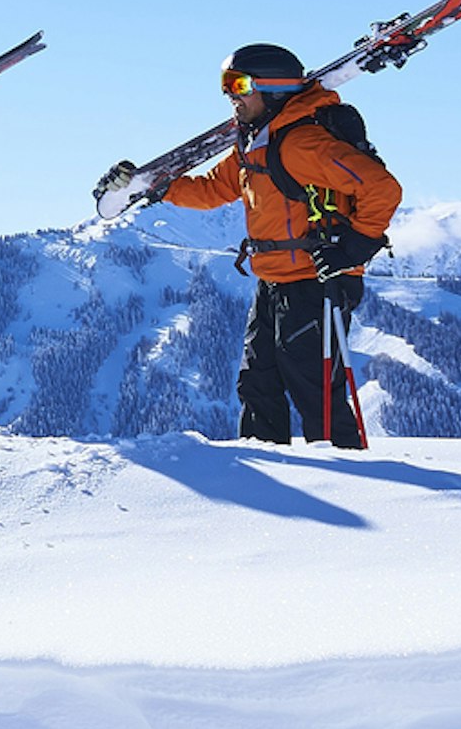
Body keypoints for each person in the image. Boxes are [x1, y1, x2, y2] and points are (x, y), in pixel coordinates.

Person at [158, 44, 402, 448]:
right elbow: (212, 190)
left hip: (316, 281)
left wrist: (355, 246)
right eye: (226, 85)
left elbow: (381, 187)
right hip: (272, 280)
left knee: (315, 392)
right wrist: (163, 189)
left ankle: (348, 481)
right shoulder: (255, 144)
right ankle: (267, 477)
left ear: (271, 88)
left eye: (239, 85)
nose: (230, 96)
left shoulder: (300, 144)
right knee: (257, 385)